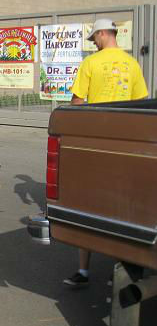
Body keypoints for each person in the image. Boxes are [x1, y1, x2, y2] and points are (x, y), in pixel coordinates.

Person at [62, 18, 148, 288]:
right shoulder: (132, 64)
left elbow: (77, 102)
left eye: (94, 38)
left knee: (86, 203)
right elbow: (141, 104)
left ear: (102, 34)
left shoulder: (91, 63)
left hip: (96, 141)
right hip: (125, 142)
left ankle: (83, 271)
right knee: (122, 205)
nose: (94, 43)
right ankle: (123, 267)